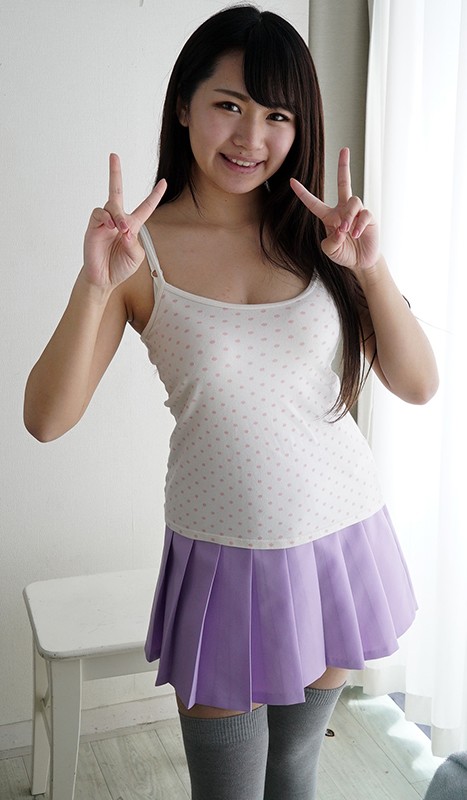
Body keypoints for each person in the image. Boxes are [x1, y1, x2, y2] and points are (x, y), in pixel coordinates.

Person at [24, 5, 439, 799]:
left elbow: (417, 384)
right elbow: (46, 419)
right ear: (183, 106)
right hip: (221, 559)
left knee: (295, 767)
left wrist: (369, 268)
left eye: (277, 115)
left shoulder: (321, 236)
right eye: (229, 105)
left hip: (337, 536)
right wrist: (93, 284)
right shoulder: (138, 253)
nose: (251, 137)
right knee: (226, 790)